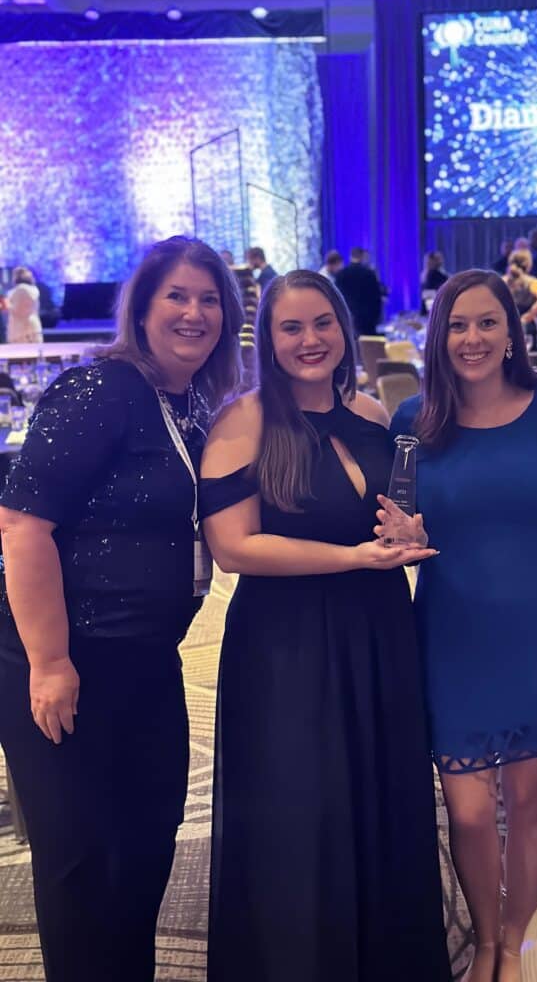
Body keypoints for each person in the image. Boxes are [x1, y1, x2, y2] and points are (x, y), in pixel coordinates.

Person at [0, 237, 243, 982]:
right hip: (65, 658)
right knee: (82, 863)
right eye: (177, 295)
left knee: (145, 842)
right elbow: (22, 524)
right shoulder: (99, 390)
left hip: (144, 658)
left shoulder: (186, 407)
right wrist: (49, 661)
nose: (194, 312)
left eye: (209, 300)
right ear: (140, 307)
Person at [200, 269, 451, 982]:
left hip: (375, 630)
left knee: (377, 797)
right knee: (299, 809)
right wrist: (351, 557)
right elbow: (232, 547)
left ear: (344, 329)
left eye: (322, 324)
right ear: (268, 340)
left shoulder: (373, 414)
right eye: (291, 327)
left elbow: (379, 517)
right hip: (286, 644)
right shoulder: (243, 420)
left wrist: (405, 531)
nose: (309, 341)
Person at [390, 269, 537, 982]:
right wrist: (399, 534)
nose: (472, 338)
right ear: (440, 336)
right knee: (468, 812)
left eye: (487, 323)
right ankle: (487, 938)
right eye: (458, 325)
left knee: (532, 803)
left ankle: (520, 945)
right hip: (453, 632)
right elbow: (393, 526)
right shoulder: (415, 420)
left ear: (512, 332)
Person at [503, 249, 537, 349]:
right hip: (526, 329)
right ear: (528, 264)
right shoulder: (532, 282)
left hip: (505, 328)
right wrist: (529, 315)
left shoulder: (502, 281)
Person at [334, 246, 383, 336]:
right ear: (362, 256)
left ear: (351, 256)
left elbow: (336, 298)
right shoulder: (369, 274)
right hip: (367, 319)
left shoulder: (341, 274)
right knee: (367, 346)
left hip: (347, 317)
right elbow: (376, 298)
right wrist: (377, 318)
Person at [7, 266, 43, 344]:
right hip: (33, 325)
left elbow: (17, 310)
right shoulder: (33, 289)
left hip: (22, 330)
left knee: (22, 354)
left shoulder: (21, 289)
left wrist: (6, 304)